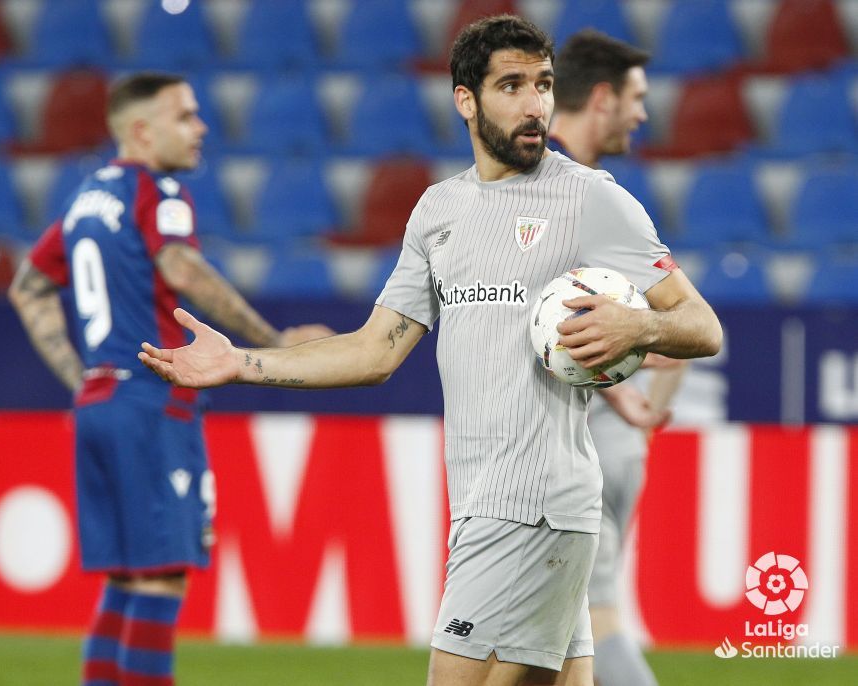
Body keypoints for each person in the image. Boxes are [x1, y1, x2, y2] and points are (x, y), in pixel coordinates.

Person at [138, 16, 722, 686]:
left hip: (531, 508)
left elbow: (699, 324)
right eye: (511, 85)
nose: (535, 104)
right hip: (488, 505)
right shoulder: (438, 212)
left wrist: (636, 326)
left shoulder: (590, 198)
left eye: (544, 84)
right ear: (465, 100)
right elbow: (374, 351)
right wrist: (242, 363)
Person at [8, 72, 331, 686]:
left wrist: (82, 375)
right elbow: (181, 264)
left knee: (130, 577)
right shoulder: (157, 190)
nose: (201, 126)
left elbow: (27, 287)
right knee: (161, 576)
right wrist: (271, 342)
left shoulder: (87, 198)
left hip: (99, 401)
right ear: (141, 130)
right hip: (151, 398)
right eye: (184, 116)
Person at [549, 30, 690, 686]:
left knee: (585, 621)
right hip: (609, 436)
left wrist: (626, 373)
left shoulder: (558, 194)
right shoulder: (598, 198)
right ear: (601, 98)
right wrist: (636, 394)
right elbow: (672, 327)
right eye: (636, 98)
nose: (643, 113)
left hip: (571, 439)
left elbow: (554, 321)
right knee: (557, 634)